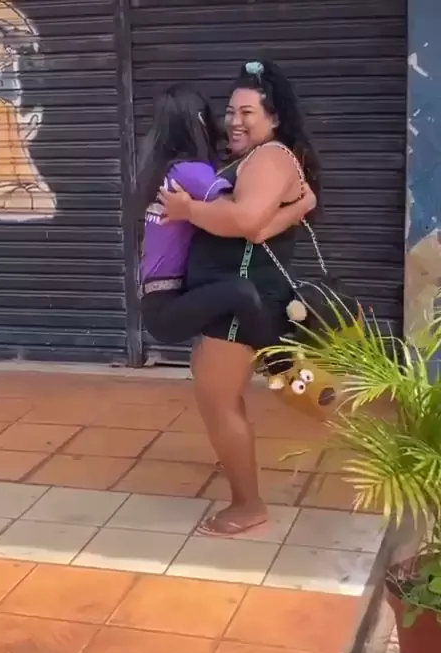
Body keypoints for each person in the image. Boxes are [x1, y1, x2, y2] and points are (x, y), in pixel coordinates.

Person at [158, 59, 321, 536]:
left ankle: (248, 506)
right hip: (230, 296)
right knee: (223, 395)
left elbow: (247, 221)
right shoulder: (253, 158)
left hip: (238, 301)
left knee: (218, 400)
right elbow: (256, 223)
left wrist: (188, 210)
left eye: (247, 112)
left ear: (274, 118)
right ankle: (239, 464)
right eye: (230, 111)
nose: (234, 120)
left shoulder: (269, 157)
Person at [137, 83, 315, 372]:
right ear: (200, 120)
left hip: (158, 301)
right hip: (167, 305)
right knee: (240, 292)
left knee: (236, 293)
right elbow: (241, 214)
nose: (226, 123)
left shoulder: (167, 169)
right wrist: (300, 204)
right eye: (223, 114)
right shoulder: (191, 172)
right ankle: (281, 365)